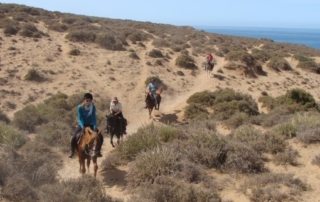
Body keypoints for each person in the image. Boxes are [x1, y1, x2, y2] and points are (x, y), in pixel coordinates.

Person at [69, 93, 103, 158]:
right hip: (82, 125)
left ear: (91, 101)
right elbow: (80, 118)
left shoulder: (93, 107)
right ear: (84, 100)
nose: (88, 102)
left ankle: (98, 151)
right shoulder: (80, 107)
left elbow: (94, 117)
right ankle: (72, 151)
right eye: (87, 100)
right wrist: (82, 126)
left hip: (91, 125)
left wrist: (95, 126)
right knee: (73, 138)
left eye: (90, 100)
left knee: (100, 136)